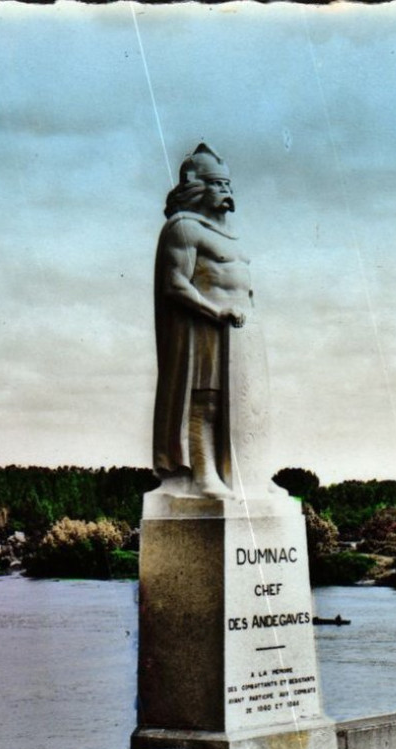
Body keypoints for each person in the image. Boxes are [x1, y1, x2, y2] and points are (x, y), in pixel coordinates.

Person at [152, 144, 253, 499]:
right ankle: (202, 473)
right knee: (205, 400)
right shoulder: (184, 228)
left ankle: (246, 475)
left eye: (227, 184)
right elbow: (175, 283)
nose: (225, 191)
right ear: (197, 187)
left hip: (241, 335)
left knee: (241, 405)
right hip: (202, 329)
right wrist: (215, 311)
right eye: (216, 184)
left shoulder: (232, 235)